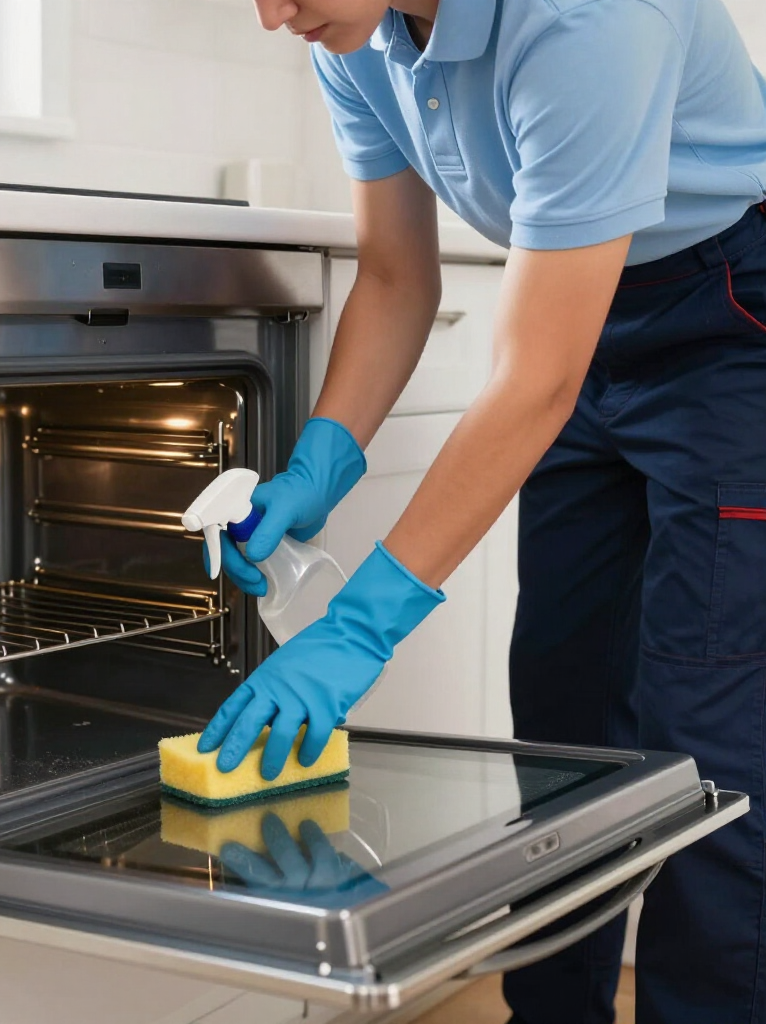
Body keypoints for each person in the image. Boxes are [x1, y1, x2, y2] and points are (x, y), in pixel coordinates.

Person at [194, 0, 766, 1021]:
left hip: (727, 323)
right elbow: (394, 273)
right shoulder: (358, 34)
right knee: (562, 708)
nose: (271, 13)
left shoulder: (588, 18)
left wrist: (359, 627)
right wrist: (321, 460)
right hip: (573, 310)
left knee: (706, 736)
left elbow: (533, 381)